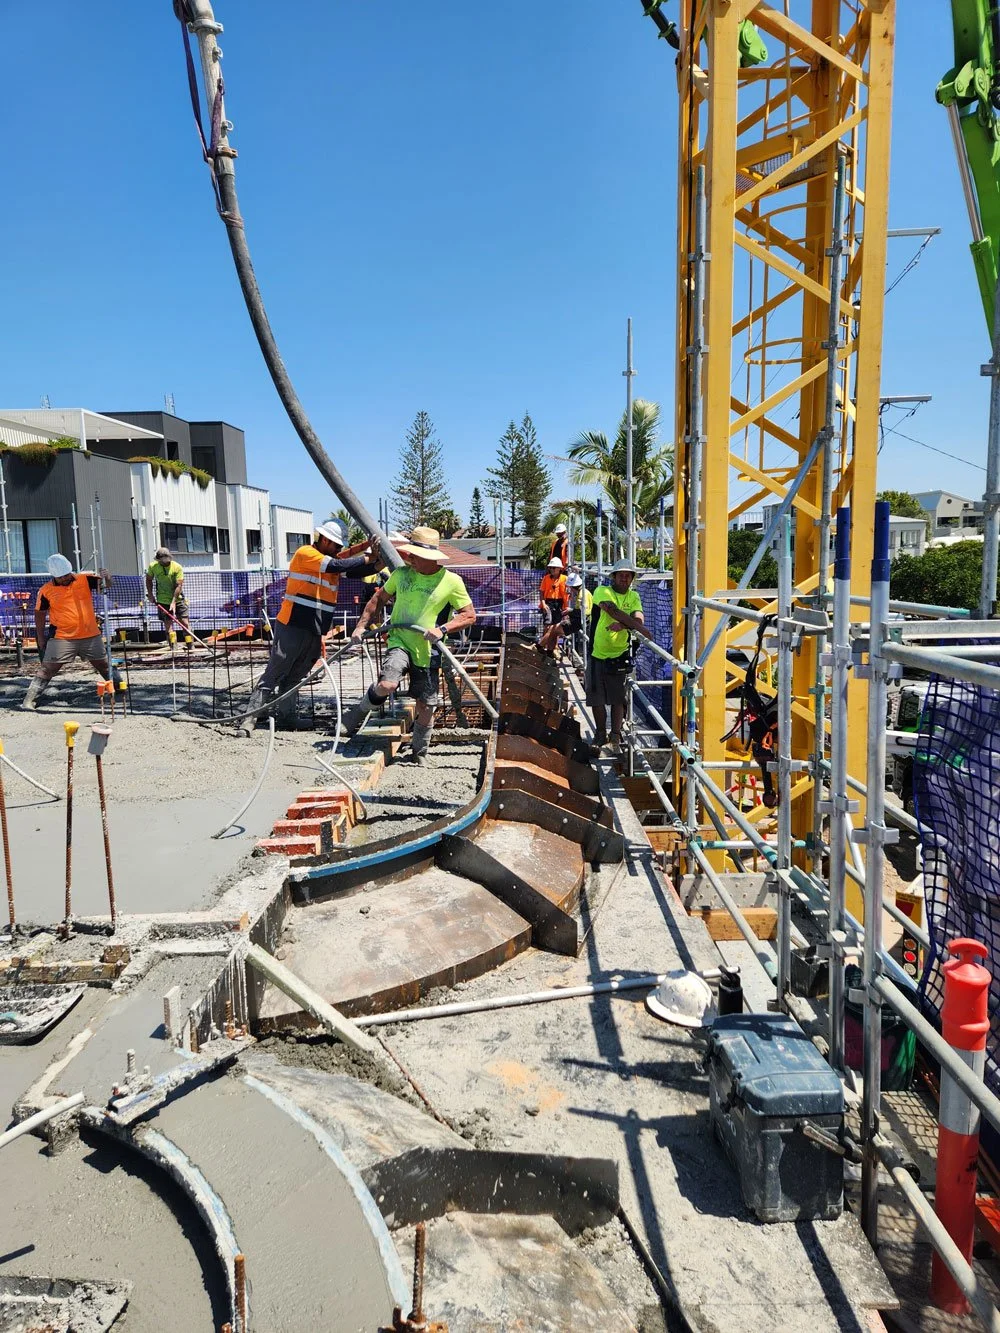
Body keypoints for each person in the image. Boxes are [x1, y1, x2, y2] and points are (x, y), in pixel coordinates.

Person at [344, 526, 476, 765]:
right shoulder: (401, 575)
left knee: (426, 704)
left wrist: (442, 629)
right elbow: (378, 599)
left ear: (429, 557)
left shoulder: (451, 581)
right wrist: (360, 626)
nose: (409, 558)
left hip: (428, 650)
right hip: (400, 640)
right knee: (388, 683)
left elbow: (469, 615)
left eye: (414, 555)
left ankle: (419, 752)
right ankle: (357, 713)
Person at [246, 520, 382, 730]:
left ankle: (287, 717)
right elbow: (336, 565)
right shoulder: (306, 554)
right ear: (325, 539)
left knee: (296, 675)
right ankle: (249, 719)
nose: (339, 550)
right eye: (337, 545)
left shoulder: (331, 561)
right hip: (293, 623)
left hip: (316, 627)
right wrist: (367, 556)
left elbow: (354, 571)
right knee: (276, 671)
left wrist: (378, 562)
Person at [23, 555, 114, 709]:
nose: (66, 578)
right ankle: (29, 699)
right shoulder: (46, 591)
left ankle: (118, 688)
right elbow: (39, 614)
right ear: (53, 576)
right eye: (61, 577)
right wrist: (40, 637)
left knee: (104, 664)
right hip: (62, 637)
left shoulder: (85, 579)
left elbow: (106, 586)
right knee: (47, 669)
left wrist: (108, 577)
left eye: (67, 574)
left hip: (90, 635)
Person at [587, 557, 653, 752]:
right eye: (621, 575)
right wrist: (639, 628)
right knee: (596, 699)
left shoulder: (634, 596)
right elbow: (613, 611)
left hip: (619, 654)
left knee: (617, 699)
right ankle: (600, 735)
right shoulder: (602, 591)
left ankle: (615, 737)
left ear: (632, 578)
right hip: (598, 653)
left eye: (628, 575)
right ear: (614, 577)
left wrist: (627, 625)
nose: (624, 578)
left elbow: (638, 616)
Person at [145, 547, 189, 635]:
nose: (160, 562)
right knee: (168, 626)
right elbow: (148, 579)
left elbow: (179, 586)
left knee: (185, 623)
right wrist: (150, 594)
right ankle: (173, 646)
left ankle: (190, 645)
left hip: (178, 599)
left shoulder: (177, 567)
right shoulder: (153, 566)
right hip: (162, 601)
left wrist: (173, 602)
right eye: (159, 560)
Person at [537, 556, 568, 653]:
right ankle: (543, 646)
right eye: (550, 568)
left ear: (560, 569)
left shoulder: (564, 579)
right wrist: (543, 603)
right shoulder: (546, 578)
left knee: (555, 628)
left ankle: (551, 649)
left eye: (554, 568)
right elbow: (541, 591)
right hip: (548, 603)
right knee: (547, 626)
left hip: (559, 604)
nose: (552, 570)